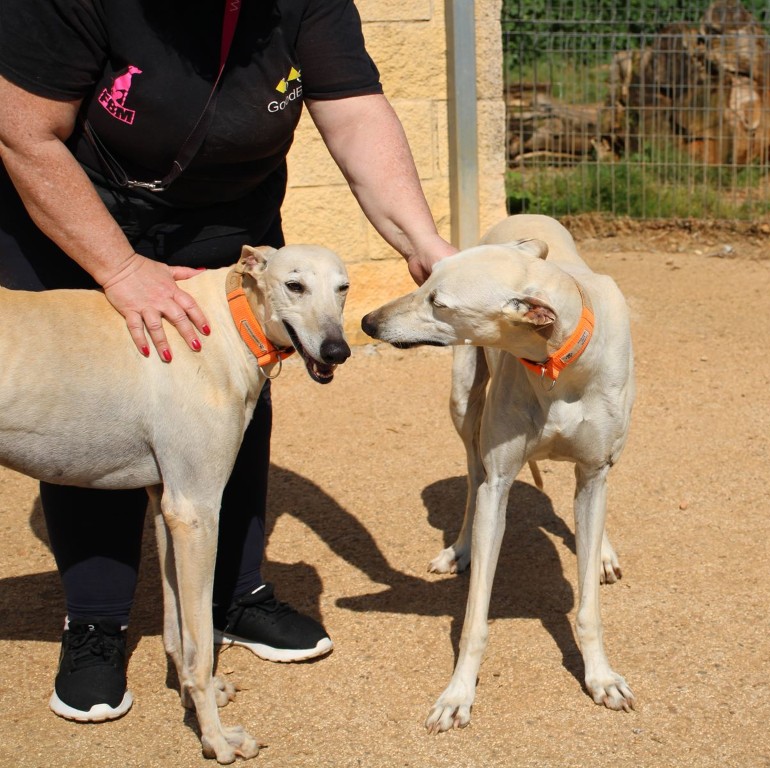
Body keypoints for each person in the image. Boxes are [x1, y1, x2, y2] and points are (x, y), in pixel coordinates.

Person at [0, 0, 457, 723]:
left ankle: (234, 595)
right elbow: (24, 131)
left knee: (229, 394)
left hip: (225, 220)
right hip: (77, 208)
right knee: (88, 406)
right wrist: (120, 268)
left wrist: (423, 242)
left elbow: (355, 117)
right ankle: (96, 623)